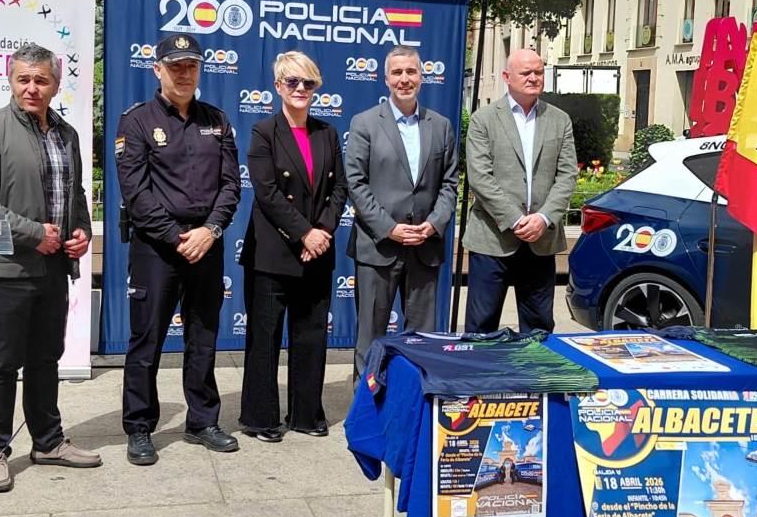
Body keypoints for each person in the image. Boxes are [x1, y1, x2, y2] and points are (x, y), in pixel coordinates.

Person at [0, 43, 100, 493]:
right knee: (3, 362)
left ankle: (48, 441)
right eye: (24, 79)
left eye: (41, 80)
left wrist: (81, 230)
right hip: (8, 267)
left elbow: (74, 192)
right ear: (11, 80)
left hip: (54, 267)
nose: (32, 88)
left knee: (45, 359)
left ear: (55, 84)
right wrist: (33, 232)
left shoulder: (67, 133)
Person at [115, 34, 241, 465]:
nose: (184, 73)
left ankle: (202, 421)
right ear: (158, 70)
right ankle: (139, 427)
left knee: (203, 337)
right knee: (146, 340)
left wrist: (210, 230)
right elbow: (136, 193)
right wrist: (176, 236)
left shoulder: (217, 120)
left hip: (207, 244)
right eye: (175, 66)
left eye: (191, 66)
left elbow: (231, 185)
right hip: (157, 248)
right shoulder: (136, 121)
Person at [239, 51, 347, 441]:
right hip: (272, 253)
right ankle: (261, 417)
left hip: (317, 251)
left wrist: (322, 232)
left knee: (312, 335)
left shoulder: (328, 132)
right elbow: (267, 193)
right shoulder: (263, 132)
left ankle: (306, 413)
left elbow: (340, 188)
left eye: (308, 82)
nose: (300, 88)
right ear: (278, 86)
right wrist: (305, 234)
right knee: (264, 339)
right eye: (292, 81)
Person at [345, 46, 458, 379]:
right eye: (397, 72)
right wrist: (389, 228)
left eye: (411, 71)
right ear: (386, 79)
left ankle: (416, 400)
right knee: (371, 338)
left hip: (425, 247)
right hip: (379, 247)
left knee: (422, 340)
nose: (404, 79)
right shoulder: (365, 123)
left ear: (421, 77)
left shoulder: (441, 126)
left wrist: (433, 225)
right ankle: (367, 402)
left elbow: (450, 184)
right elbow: (356, 183)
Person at [463, 48, 578, 333]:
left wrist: (543, 218)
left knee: (538, 331)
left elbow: (567, 175)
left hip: (541, 239)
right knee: (481, 329)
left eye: (538, 72)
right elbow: (480, 178)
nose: (533, 78)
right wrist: (515, 220)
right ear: (507, 77)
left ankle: (533, 367)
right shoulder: (483, 119)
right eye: (526, 72)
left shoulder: (560, 120)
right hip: (492, 239)